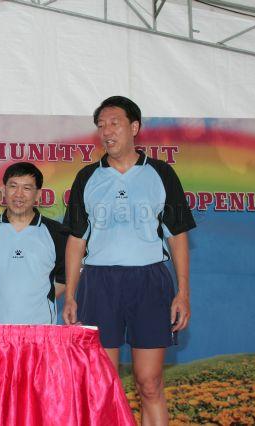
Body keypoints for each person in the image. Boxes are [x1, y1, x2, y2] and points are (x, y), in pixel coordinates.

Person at [62, 96, 195, 425]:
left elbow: (177, 236)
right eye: (101, 125)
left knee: (150, 384)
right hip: (99, 283)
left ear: (134, 127)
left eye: (114, 123)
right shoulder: (87, 177)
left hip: (149, 282)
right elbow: (76, 240)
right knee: (103, 385)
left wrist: (183, 292)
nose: (106, 131)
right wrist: (70, 294)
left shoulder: (161, 173)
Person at [0, 162, 68, 324]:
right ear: (4, 190)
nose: (19, 194)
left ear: (38, 194)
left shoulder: (57, 233)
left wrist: (37, 301)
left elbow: (64, 279)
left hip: (40, 333)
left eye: (26, 188)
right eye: (13, 186)